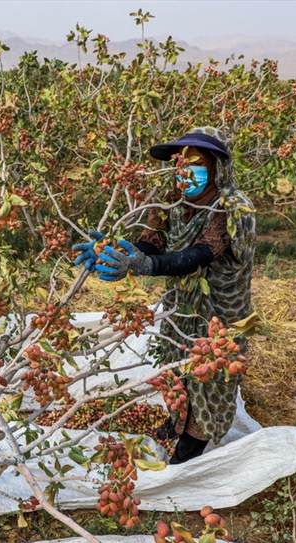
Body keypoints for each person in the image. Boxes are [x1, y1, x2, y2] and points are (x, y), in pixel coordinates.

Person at [73, 126, 256, 464]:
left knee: (210, 376)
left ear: (217, 168)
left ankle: (190, 448)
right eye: (180, 164)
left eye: (197, 164)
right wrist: (117, 254)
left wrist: (147, 266)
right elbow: (152, 242)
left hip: (220, 310)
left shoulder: (233, 207)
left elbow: (200, 254)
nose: (186, 172)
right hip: (181, 306)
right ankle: (177, 423)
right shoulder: (172, 200)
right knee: (179, 365)